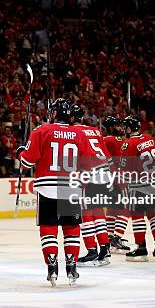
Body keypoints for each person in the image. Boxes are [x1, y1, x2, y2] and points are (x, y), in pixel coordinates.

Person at [17, 98, 105, 286]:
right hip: (72, 187)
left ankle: (52, 268)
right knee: (71, 229)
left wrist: (21, 151)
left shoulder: (41, 131)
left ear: (54, 113)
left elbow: (26, 162)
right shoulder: (79, 134)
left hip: (47, 187)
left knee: (49, 229)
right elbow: (89, 163)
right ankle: (72, 267)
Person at [119, 115, 155, 262]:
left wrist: (122, 185)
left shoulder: (128, 144)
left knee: (137, 215)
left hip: (139, 183)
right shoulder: (149, 138)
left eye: (125, 127)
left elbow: (125, 167)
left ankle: (141, 248)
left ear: (129, 128)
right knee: (154, 213)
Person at [70, 104, 112, 266]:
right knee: (98, 211)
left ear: (72, 117)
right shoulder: (94, 130)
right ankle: (104, 248)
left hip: (89, 173)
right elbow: (106, 155)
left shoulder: (73, 132)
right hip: (104, 172)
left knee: (86, 213)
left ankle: (92, 250)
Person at [102, 116, 130, 253]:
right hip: (120, 178)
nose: (121, 128)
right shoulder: (117, 140)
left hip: (109, 178)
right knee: (125, 208)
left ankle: (109, 238)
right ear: (112, 127)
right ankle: (117, 237)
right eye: (118, 125)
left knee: (112, 209)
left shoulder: (105, 140)